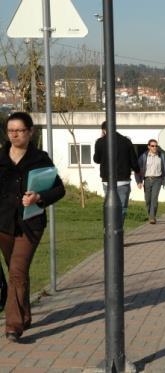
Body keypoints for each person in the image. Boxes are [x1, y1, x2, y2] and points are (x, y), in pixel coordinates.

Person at [0, 112, 66, 342]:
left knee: (17, 271)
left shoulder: (40, 159)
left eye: (19, 130)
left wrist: (39, 196)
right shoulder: (0, 158)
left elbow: (59, 189)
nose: (14, 134)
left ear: (30, 132)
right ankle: (24, 315)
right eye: (10, 130)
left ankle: (13, 326)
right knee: (16, 272)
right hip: (4, 225)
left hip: (31, 225)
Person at [93, 121, 140, 224]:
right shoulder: (126, 141)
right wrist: (138, 172)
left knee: (109, 206)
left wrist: (101, 140)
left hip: (107, 181)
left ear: (103, 130)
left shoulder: (100, 142)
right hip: (123, 181)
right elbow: (133, 161)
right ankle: (118, 230)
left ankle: (109, 229)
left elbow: (96, 160)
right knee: (122, 207)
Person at [135, 139, 165, 224]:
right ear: (148, 146)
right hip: (147, 180)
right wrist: (138, 181)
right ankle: (150, 215)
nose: (154, 147)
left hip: (158, 180)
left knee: (154, 199)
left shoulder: (162, 156)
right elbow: (137, 170)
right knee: (148, 200)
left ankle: (152, 217)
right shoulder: (143, 157)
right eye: (152, 146)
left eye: (156, 146)